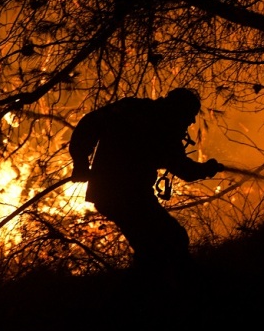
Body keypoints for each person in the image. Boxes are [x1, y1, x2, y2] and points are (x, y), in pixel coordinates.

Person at [68, 87, 223, 276]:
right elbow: (184, 169)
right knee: (171, 239)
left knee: (154, 245)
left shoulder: (131, 108)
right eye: (190, 115)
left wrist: (81, 162)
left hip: (110, 194)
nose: (191, 121)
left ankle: (162, 282)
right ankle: (187, 283)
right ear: (179, 109)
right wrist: (207, 169)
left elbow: (89, 124)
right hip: (129, 196)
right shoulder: (165, 129)